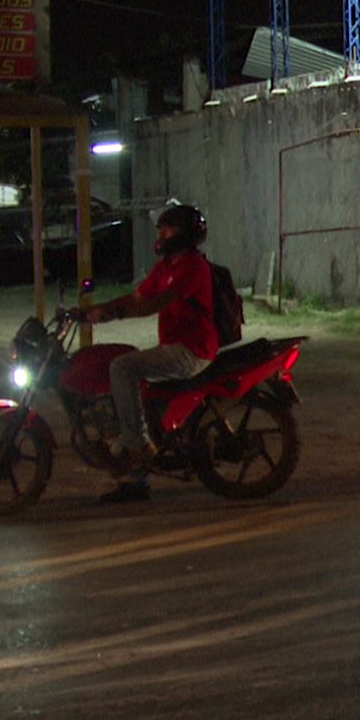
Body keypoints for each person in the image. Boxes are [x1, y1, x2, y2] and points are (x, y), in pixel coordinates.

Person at [83, 203, 220, 503]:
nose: (161, 233)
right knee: (131, 384)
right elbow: (136, 296)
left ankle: (138, 446)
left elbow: (153, 304)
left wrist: (111, 316)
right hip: (171, 348)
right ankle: (136, 482)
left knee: (122, 367)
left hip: (191, 352)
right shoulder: (166, 266)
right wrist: (96, 310)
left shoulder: (193, 267)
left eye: (167, 228)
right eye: (161, 228)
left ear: (184, 233)